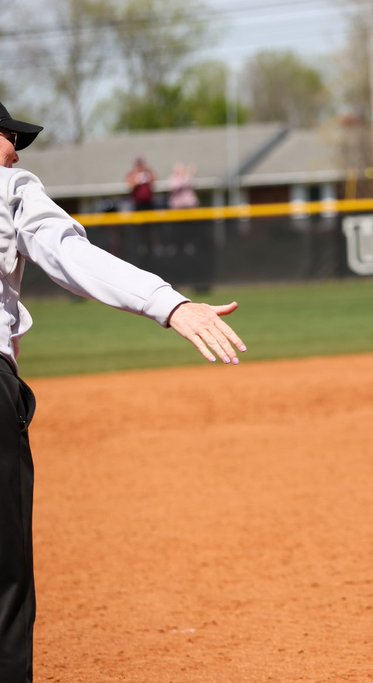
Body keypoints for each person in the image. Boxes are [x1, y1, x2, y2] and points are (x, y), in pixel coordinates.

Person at [0, 102, 248, 682]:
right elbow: (67, 253)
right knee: (4, 581)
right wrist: (169, 303)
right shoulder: (8, 185)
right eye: (11, 138)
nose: (16, 150)